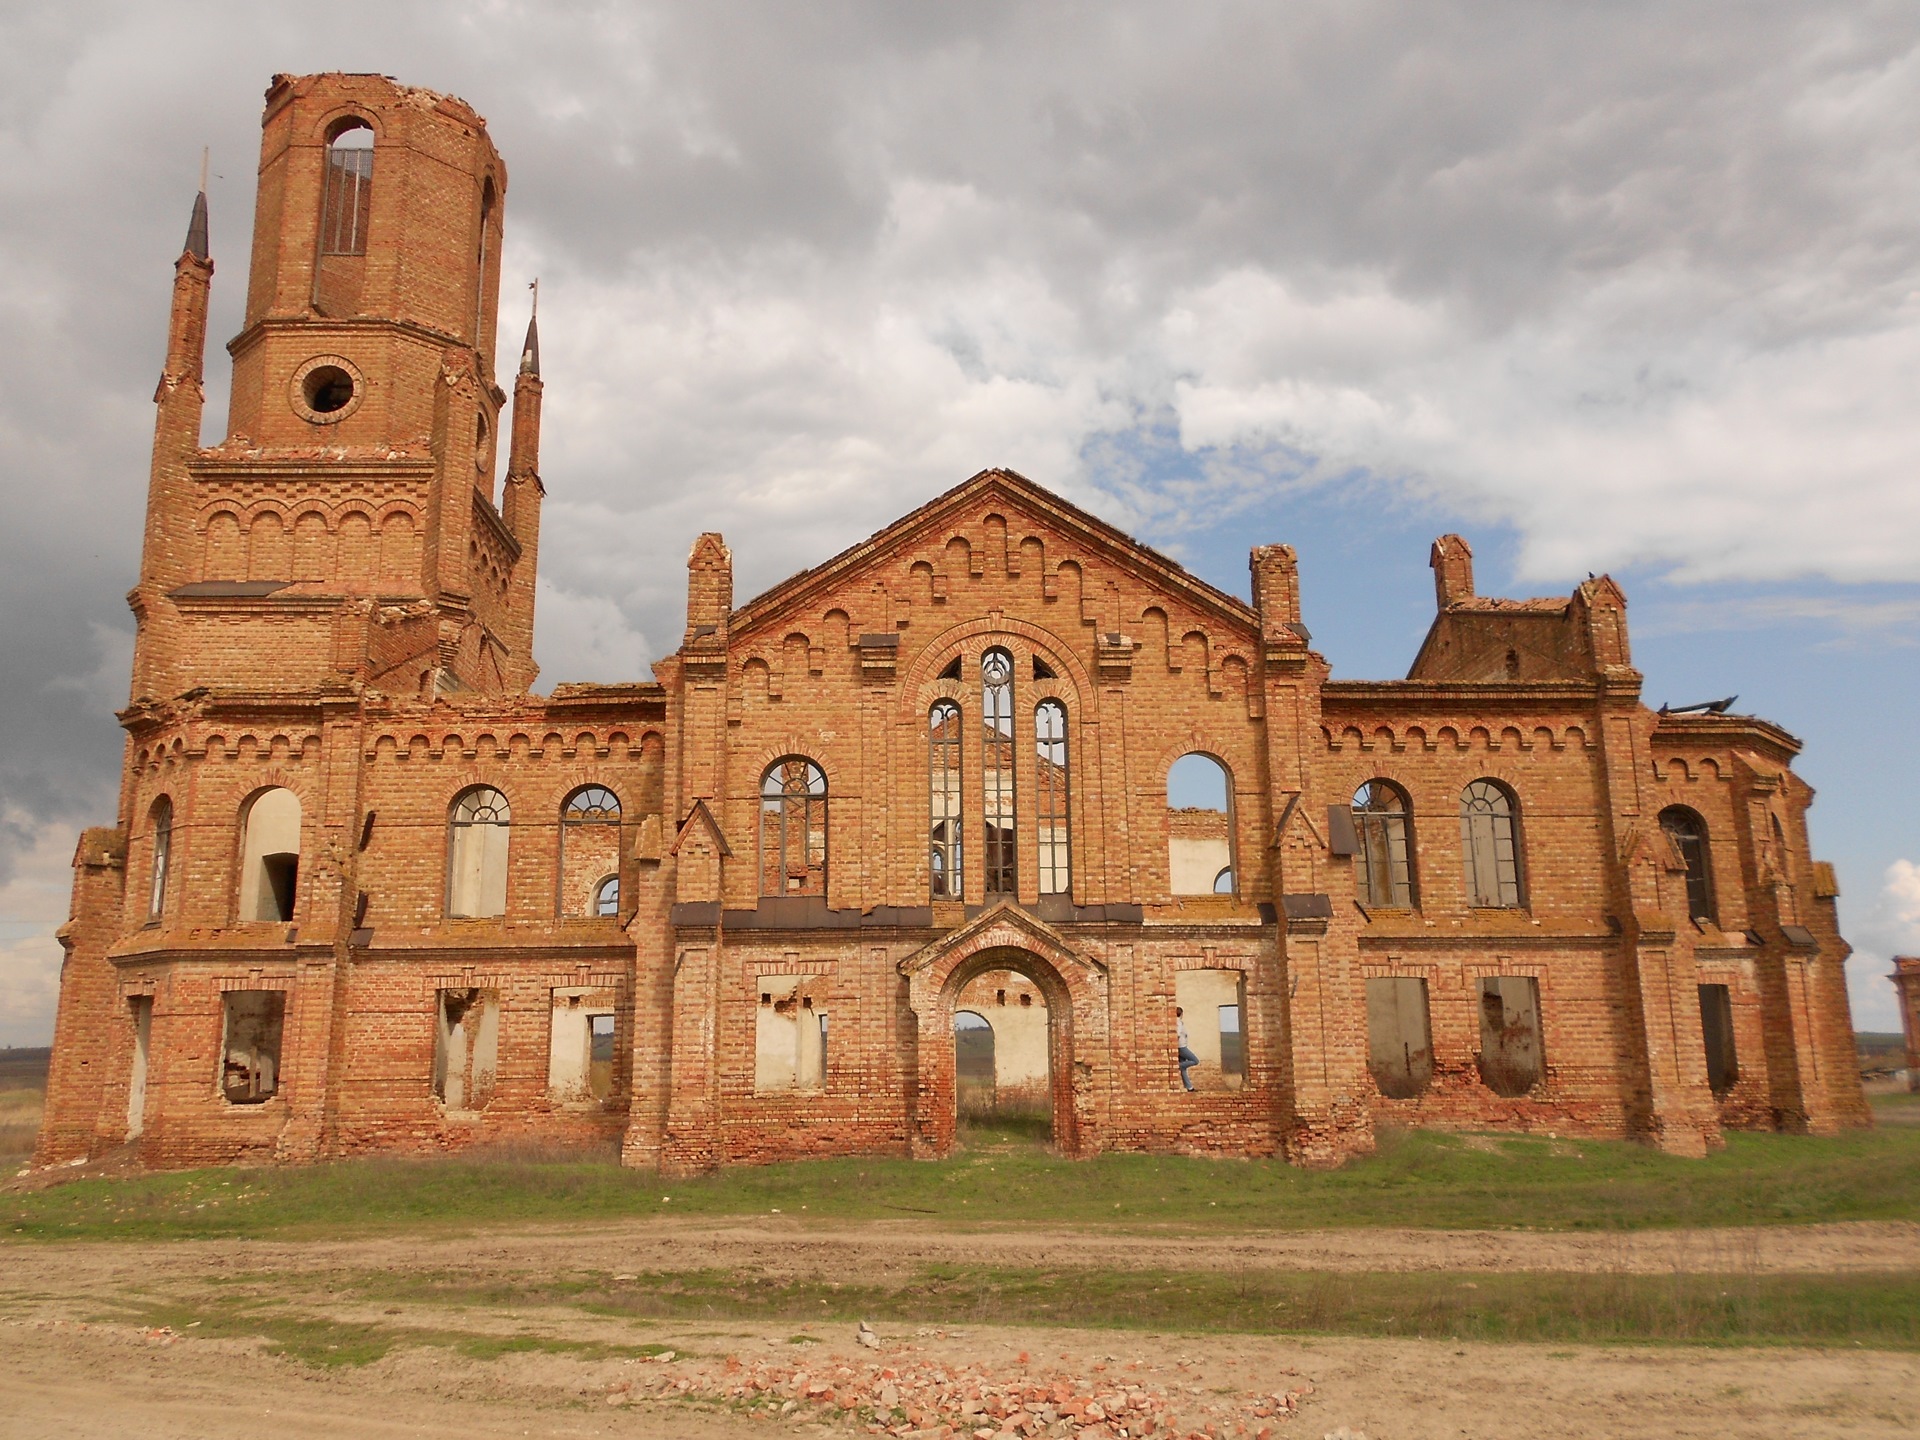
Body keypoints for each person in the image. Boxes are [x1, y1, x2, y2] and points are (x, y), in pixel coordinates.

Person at [1176, 1007, 1199, 1091]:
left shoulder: (1179, 1022)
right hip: (1181, 1047)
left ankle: (1189, 1087)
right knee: (1195, 1061)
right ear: (1181, 1014)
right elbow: (1178, 1034)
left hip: (1181, 1045)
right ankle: (1176, 1066)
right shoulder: (1178, 1022)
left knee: (1183, 1069)